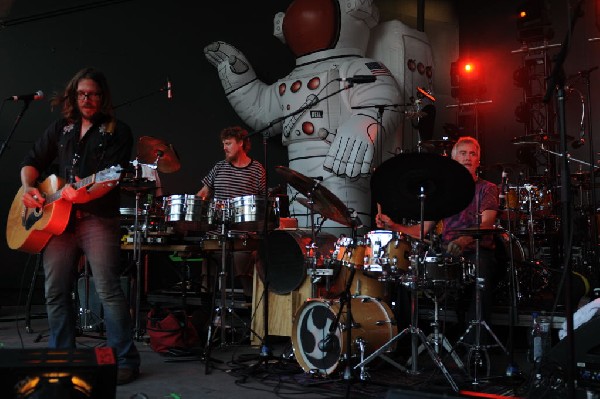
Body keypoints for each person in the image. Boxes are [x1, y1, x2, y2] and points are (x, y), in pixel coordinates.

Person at [20, 67, 140, 384]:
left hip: (97, 219)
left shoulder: (117, 131)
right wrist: (30, 189)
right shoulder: (62, 128)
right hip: (58, 223)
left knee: (108, 290)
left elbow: (110, 179)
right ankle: (62, 355)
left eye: (94, 94)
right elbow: (31, 161)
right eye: (82, 93)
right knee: (55, 291)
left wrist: (83, 194)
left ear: (103, 98)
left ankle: (123, 360)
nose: (88, 99)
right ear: (74, 95)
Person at [376, 136, 499, 342]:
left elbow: (486, 224)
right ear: (453, 159)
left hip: (477, 250)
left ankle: (475, 347)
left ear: (478, 160)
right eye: (463, 153)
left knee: (482, 273)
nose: (468, 158)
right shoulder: (444, 192)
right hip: (446, 251)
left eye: (472, 154)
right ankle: (406, 339)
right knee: (406, 272)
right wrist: (393, 225)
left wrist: (462, 241)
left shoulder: (488, 188)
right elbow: (422, 231)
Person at [196, 126, 266, 298]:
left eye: (228, 143)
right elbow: (203, 193)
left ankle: (252, 312)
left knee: (245, 271)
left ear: (241, 143)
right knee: (207, 269)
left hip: (244, 235)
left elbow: (263, 204)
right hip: (217, 233)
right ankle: (207, 312)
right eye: (223, 144)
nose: (224, 148)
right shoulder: (219, 167)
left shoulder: (257, 169)